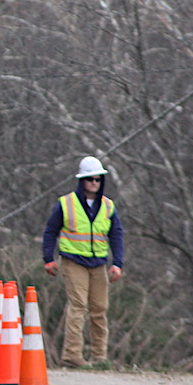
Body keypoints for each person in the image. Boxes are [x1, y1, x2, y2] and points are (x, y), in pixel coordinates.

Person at [42, 156, 125, 368]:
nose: (94, 183)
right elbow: (51, 231)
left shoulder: (108, 206)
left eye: (98, 180)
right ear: (82, 181)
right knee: (78, 307)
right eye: (90, 180)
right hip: (73, 261)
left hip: (98, 263)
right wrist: (48, 259)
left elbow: (116, 235)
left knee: (99, 309)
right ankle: (72, 355)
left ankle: (99, 357)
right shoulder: (66, 203)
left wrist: (118, 263)